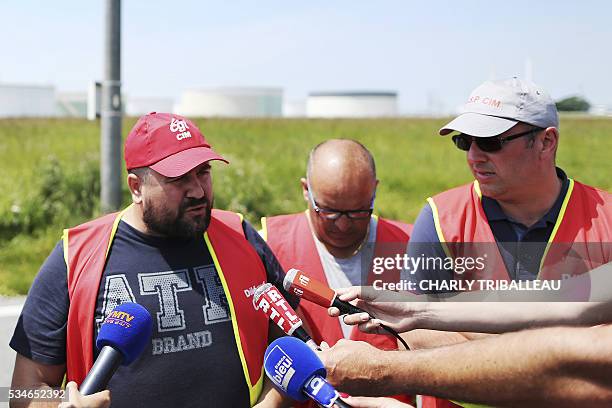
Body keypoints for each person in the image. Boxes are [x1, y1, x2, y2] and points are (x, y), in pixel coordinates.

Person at [10, 112, 295, 408]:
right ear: (136, 187)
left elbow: (294, 343)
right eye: (179, 179)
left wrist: (270, 403)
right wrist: (61, 406)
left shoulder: (240, 236)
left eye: (203, 172)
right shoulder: (76, 255)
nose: (197, 191)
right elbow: (22, 390)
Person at [399, 77, 611, 407]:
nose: (474, 156)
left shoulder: (608, 218)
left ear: (546, 142)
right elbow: (409, 332)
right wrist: (548, 357)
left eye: (490, 141)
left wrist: (471, 342)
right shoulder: (440, 218)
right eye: (464, 141)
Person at [261, 139, 413, 405]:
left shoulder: (412, 247)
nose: (342, 226)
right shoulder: (267, 246)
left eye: (357, 212)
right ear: (306, 190)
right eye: (329, 212)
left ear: (374, 191)